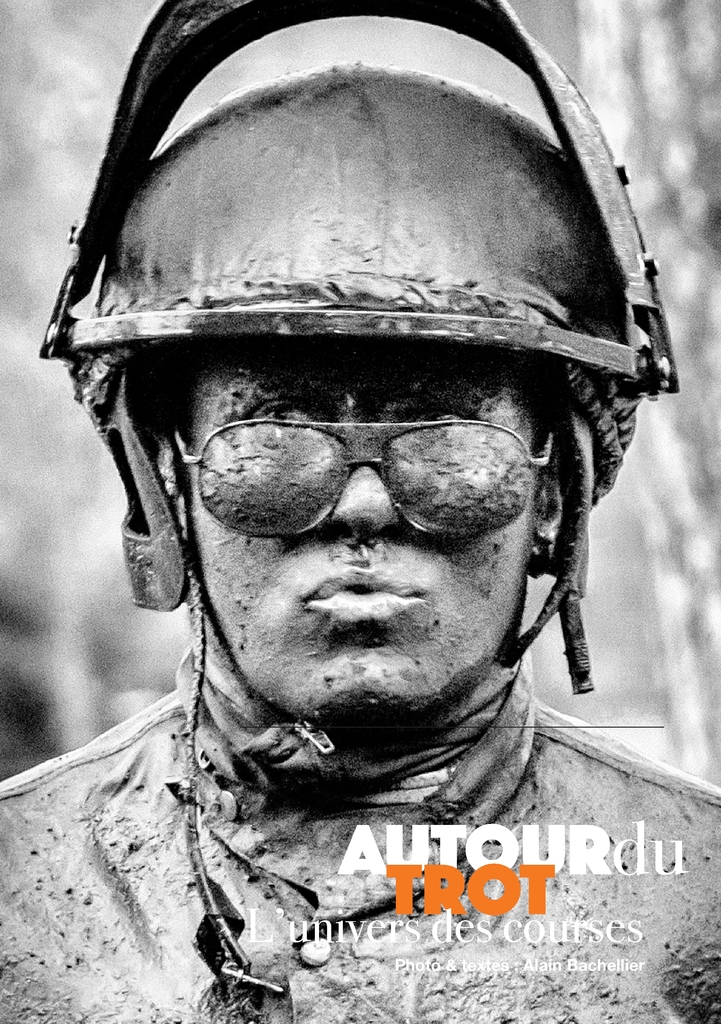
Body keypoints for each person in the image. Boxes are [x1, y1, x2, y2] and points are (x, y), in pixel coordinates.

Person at [2, 2, 719, 1022]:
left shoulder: (695, 906)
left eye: (447, 440)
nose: (364, 507)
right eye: (275, 437)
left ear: (554, 493)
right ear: (165, 481)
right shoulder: (17, 895)